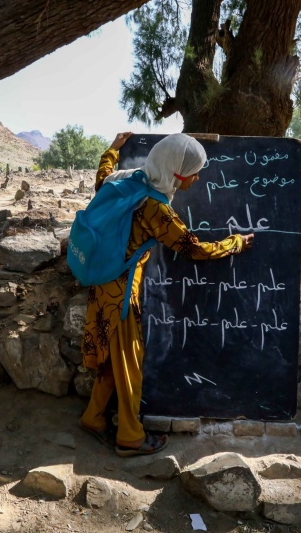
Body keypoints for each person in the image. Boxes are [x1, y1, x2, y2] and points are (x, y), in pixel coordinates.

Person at [78, 132, 254, 457]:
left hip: (101, 286)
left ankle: (94, 417)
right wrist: (235, 243)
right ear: (175, 171)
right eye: (193, 172)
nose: (197, 178)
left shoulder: (129, 180)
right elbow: (193, 249)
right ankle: (130, 437)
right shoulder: (156, 209)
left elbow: (102, 178)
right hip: (123, 297)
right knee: (130, 362)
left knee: (112, 357)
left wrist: (113, 150)